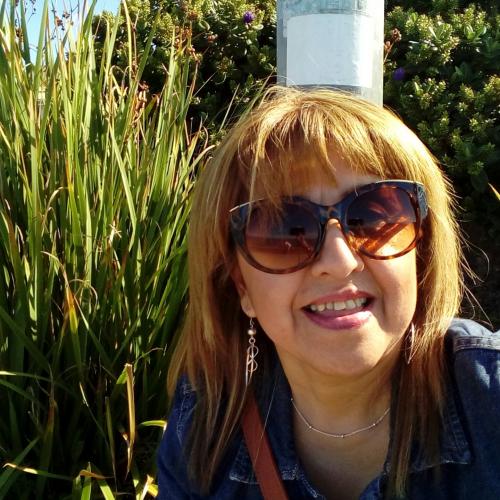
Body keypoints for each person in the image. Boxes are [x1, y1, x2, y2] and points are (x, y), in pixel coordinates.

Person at [157, 87, 500, 499]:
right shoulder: (203, 428)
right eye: (285, 230)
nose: (339, 261)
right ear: (241, 285)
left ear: (420, 254)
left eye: (374, 217)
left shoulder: (490, 397)